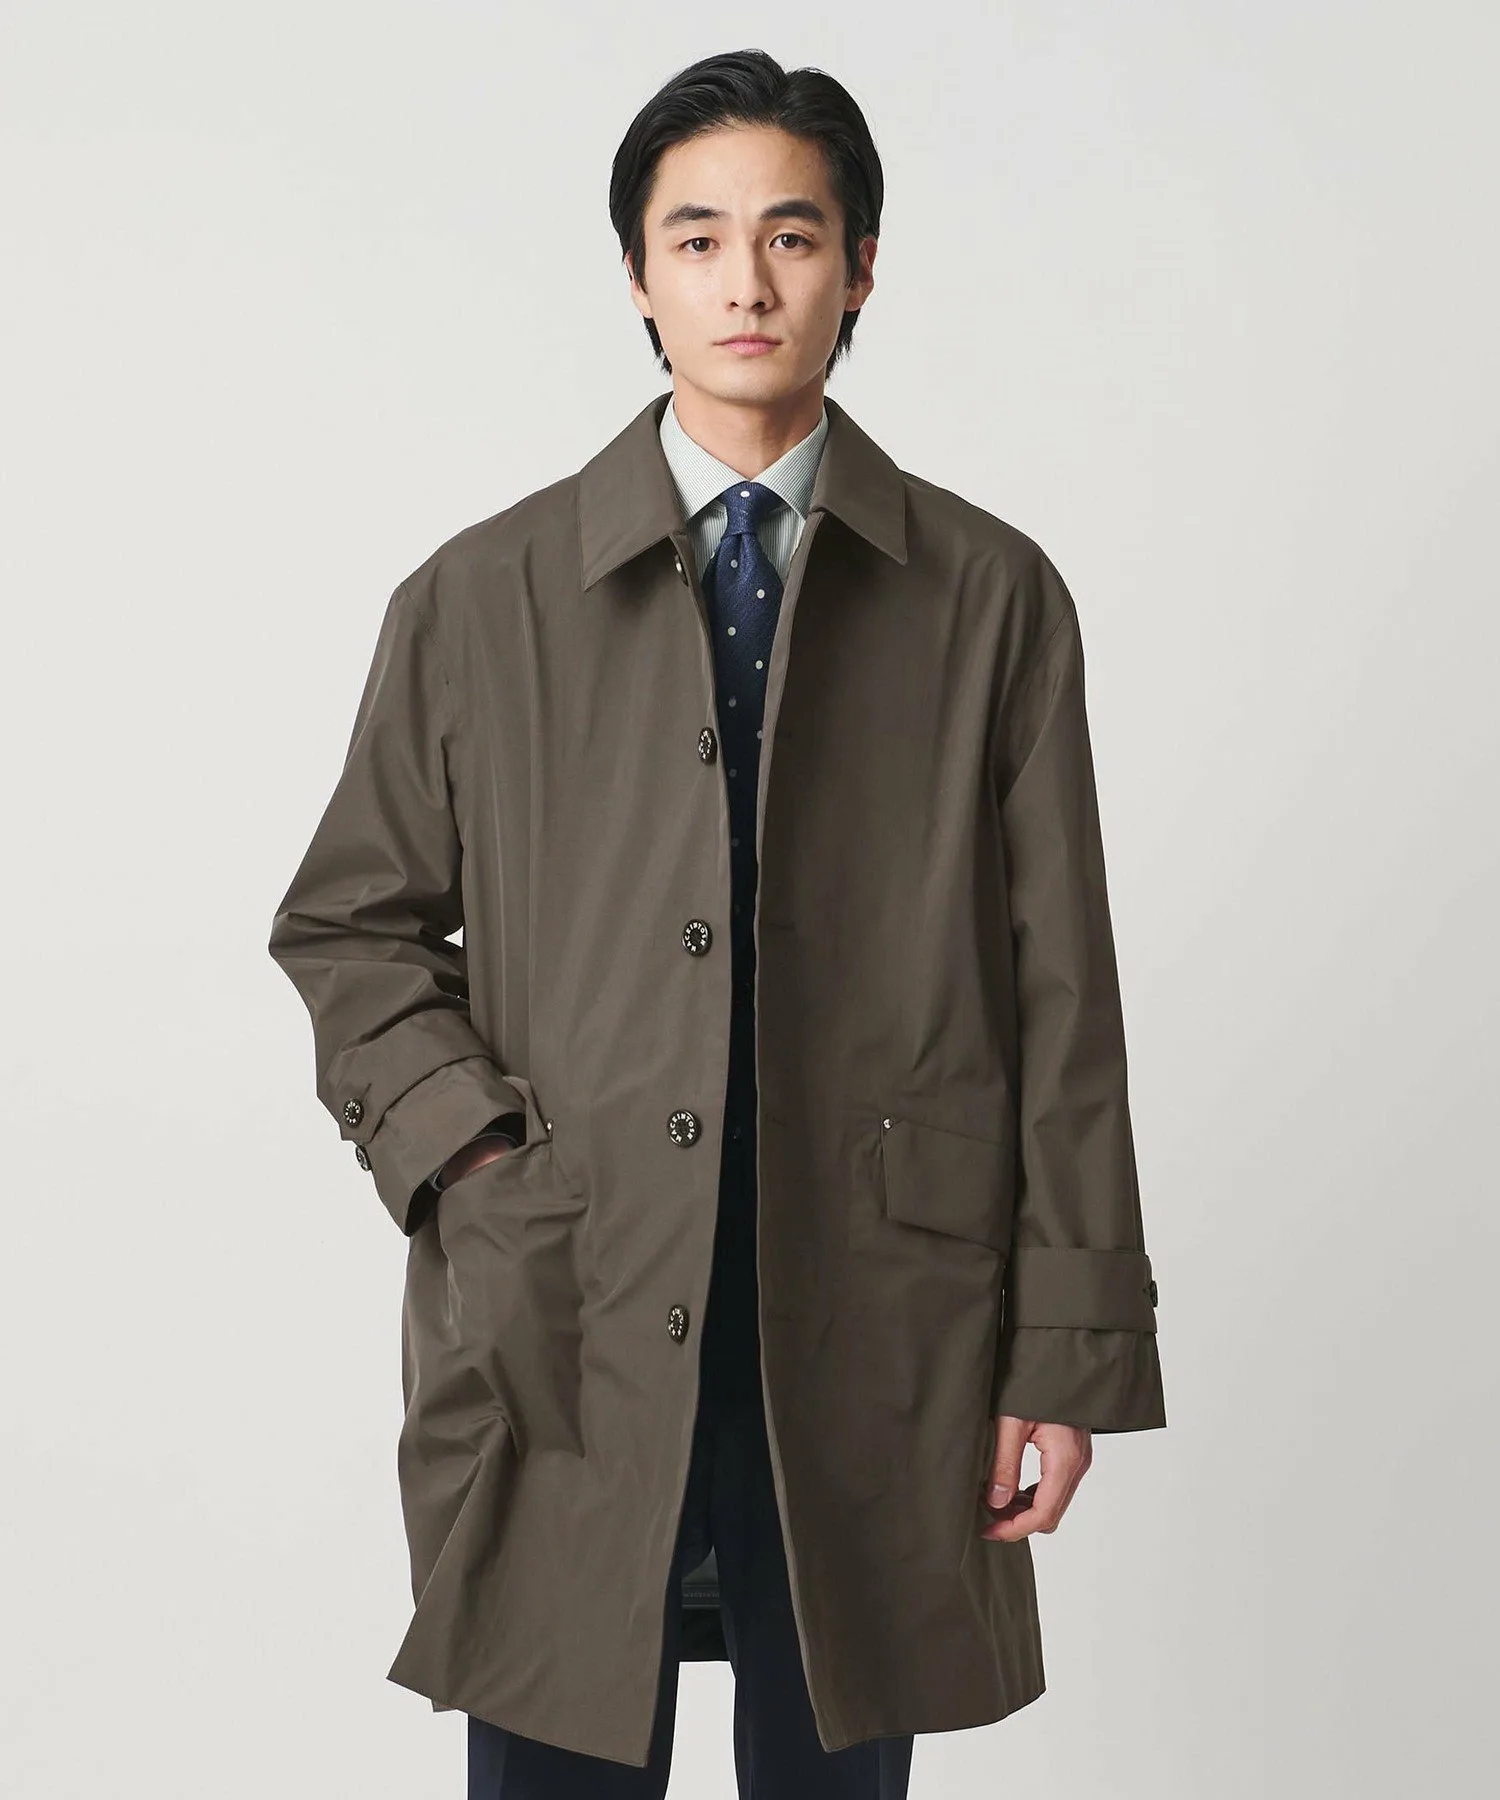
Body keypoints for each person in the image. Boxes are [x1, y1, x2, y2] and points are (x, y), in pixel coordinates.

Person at [268, 45, 1166, 1799]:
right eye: (696, 239)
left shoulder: (990, 598)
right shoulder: (480, 598)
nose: (745, 282)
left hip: (884, 1308)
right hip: (572, 1285)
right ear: (637, 274)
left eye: (792, 235)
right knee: (555, 1742)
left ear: (862, 267)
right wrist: (474, 1162)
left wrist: (1063, 1353)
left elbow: (1063, 993)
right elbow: (351, 928)